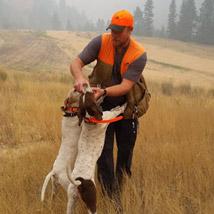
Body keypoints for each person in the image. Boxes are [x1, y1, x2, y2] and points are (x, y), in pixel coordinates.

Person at [70, 9, 147, 201]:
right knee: (103, 156)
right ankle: (112, 200)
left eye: (119, 31)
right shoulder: (100, 42)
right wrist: (79, 78)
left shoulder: (139, 54)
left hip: (127, 110)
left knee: (125, 155)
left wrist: (103, 91)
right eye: (112, 30)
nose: (114, 35)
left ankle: (121, 190)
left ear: (130, 30)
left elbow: (125, 86)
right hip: (101, 109)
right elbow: (76, 63)